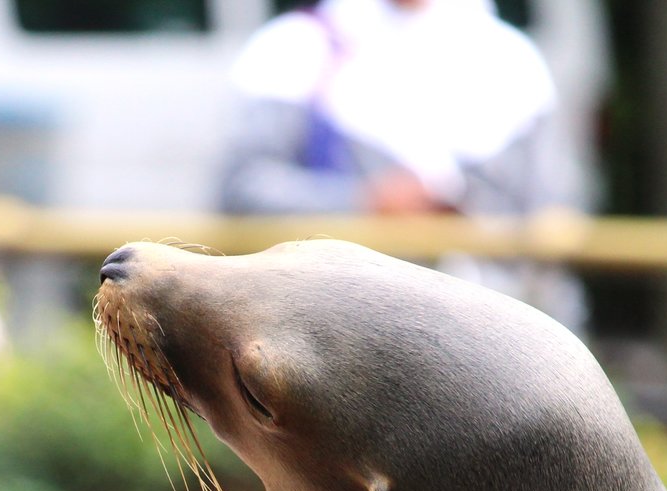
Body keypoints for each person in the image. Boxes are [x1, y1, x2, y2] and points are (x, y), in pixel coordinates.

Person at [218, 0, 587, 330]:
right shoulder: (295, 48)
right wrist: (365, 202)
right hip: (346, 337)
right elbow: (243, 191)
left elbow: (558, 210)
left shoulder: (514, 60)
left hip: (502, 335)